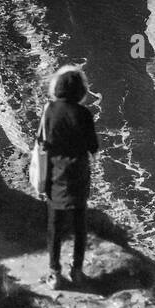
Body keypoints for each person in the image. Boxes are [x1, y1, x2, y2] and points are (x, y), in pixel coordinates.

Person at [39, 66, 99, 289]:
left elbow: (42, 142)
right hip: (78, 175)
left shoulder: (49, 110)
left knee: (54, 225)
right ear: (80, 90)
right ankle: (77, 271)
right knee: (79, 225)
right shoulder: (83, 114)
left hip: (55, 173)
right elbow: (93, 146)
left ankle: (55, 273)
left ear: (57, 87)